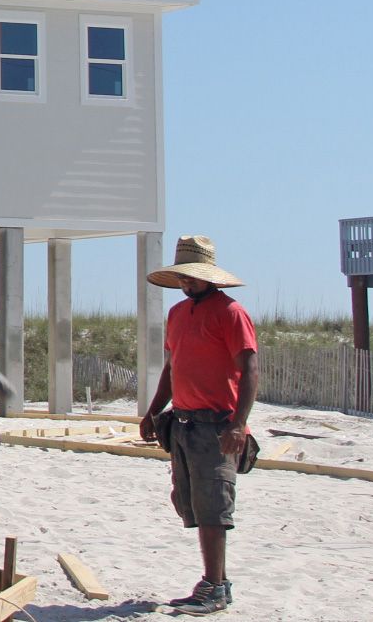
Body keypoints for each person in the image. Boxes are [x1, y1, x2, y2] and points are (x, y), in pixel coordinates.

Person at [139, 236, 259, 616]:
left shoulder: (231, 312)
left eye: (193, 278)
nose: (187, 284)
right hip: (184, 423)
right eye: (184, 278)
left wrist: (239, 425)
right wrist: (154, 411)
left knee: (213, 508)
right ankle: (213, 581)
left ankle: (215, 586)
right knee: (190, 503)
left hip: (217, 424)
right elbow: (172, 370)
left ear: (210, 277)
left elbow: (250, 370)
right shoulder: (177, 314)